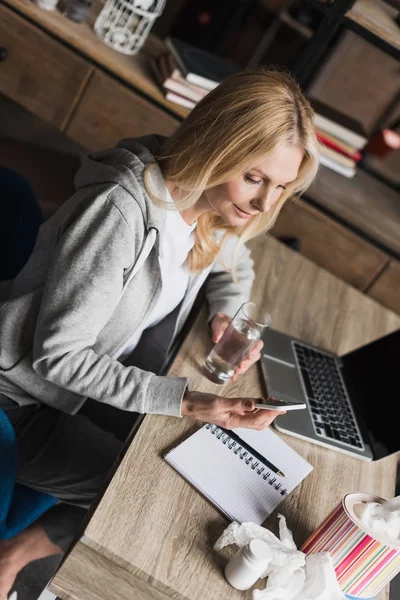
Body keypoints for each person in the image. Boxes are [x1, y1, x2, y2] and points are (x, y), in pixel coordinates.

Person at [0, 68, 319, 597]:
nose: (265, 204)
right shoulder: (121, 212)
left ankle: (15, 554)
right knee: (144, 494)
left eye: (281, 187)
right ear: (218, 145)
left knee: (191, 483)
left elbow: (235, 263)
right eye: (255, 178)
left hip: (75, 394)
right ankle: (24, 560)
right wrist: (191, 403)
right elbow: (58, 356)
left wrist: (226, 312)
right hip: (21, 397)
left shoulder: (207, 205)